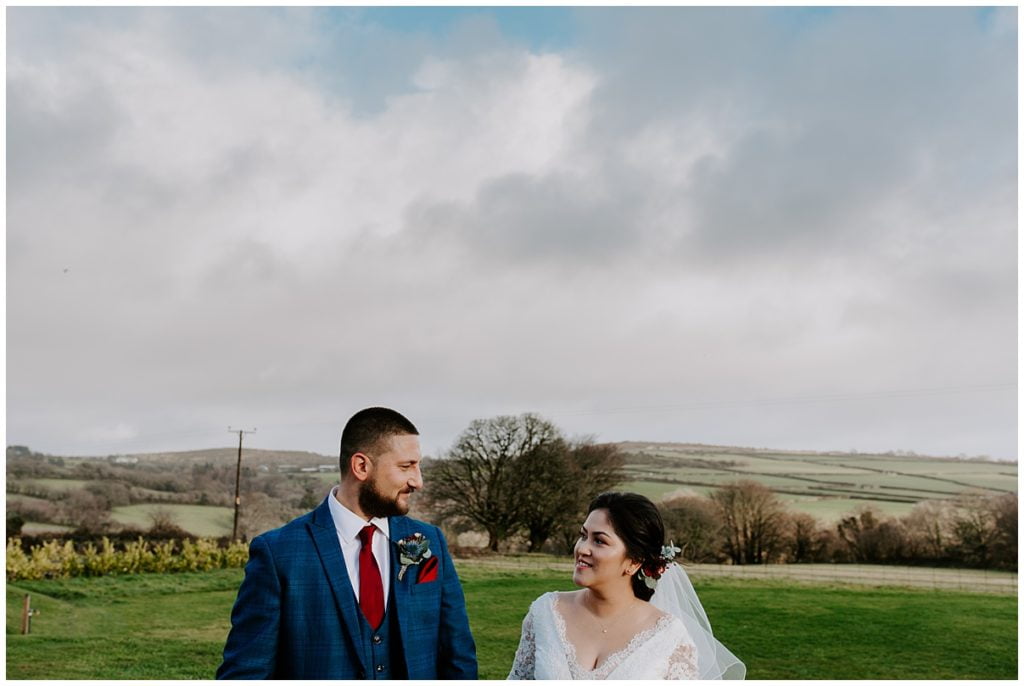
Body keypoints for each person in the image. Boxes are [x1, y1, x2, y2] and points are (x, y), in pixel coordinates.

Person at [217, 407, 478, 679]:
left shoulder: (429, 541)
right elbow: (246, 673)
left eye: (418, 465)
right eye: (406, 466)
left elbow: (458, 656)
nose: (418, 481)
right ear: (361, 466)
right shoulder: (278, 553)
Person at [508, 492, 744, 680]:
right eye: (583, 535)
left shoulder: (668, 637)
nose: (582, 549)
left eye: (599, 541)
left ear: (633, 562)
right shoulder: (546, 612)